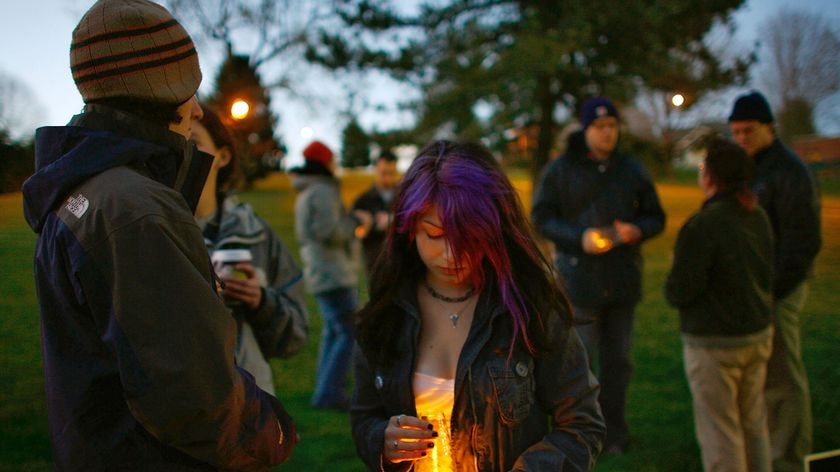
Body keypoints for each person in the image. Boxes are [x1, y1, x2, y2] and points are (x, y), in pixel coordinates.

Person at [20, 0, 296, 469]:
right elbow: (194, 398)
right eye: (191, 85)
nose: (197, 107)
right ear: (171, 92)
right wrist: (272, 429)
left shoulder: (83, 191)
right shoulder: (134, 208)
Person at [351, 140, 605, 471]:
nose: (451, 255)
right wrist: (381, 441)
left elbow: (583, 425)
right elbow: (363, 414)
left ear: (495, 229)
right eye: (435, 235)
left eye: (468, 237)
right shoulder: (388, 311)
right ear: (408, 229)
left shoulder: (528, 308)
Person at [531, 96, 665, 454]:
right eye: (600, 127)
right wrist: (580, 238)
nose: (607, 133)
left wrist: (636, 230)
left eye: (612, 126)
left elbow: (656, 216)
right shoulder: (561, 170)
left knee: (619, 364)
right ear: (586, 129)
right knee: (579, 365)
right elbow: (541, 217)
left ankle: (615, 434)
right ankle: (580, 434)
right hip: (579, 282)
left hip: (622, 280)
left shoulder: (631, 169)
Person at [665, 138, 775, 472]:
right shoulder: (756, 216)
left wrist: (677, 264)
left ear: (710, 177)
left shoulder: (704, 225)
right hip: (756, 334)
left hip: (716, 344)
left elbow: (679, 291)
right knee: (753, 423)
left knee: (721, 433)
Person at [728, 91, 821, 472]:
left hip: (778, 290)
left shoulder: (789, 172)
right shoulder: (748, 170)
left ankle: (787, 457)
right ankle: (763, 451)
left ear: (770, 127)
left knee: (782, 375)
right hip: (752, 290)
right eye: (735, 132)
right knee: (757, 380)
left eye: (748, 130)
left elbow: (802, 242)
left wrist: (770, 292)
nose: (741, 139)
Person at [192, 105, 309, 395]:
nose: (182, 152)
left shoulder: (256, 234)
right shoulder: (153, 230)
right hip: (183, 409)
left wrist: (261, 301)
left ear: (222, 156)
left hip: (252, 406)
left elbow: (296, 336)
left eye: (193, 143)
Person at [290, 140, 362, 410]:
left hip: (322, 271)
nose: (336, 163)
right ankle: (330, 393)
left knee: (335, 332)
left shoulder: (308, 190)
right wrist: (355, 222)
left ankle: (325, 391)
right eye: (332, 159)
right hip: (333, 272)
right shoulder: (321, 191)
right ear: (324, 162)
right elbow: (328, 231)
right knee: (346, 332)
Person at [352, 150, 399, 276]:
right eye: (384, 173)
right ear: (375, 170)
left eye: (391, 173)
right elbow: (355, 233)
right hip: (375, 266)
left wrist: (395, 221)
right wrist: (371, 225)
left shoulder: (405, 197)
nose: (388, 177)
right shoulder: (363, 201)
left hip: (402, 266)